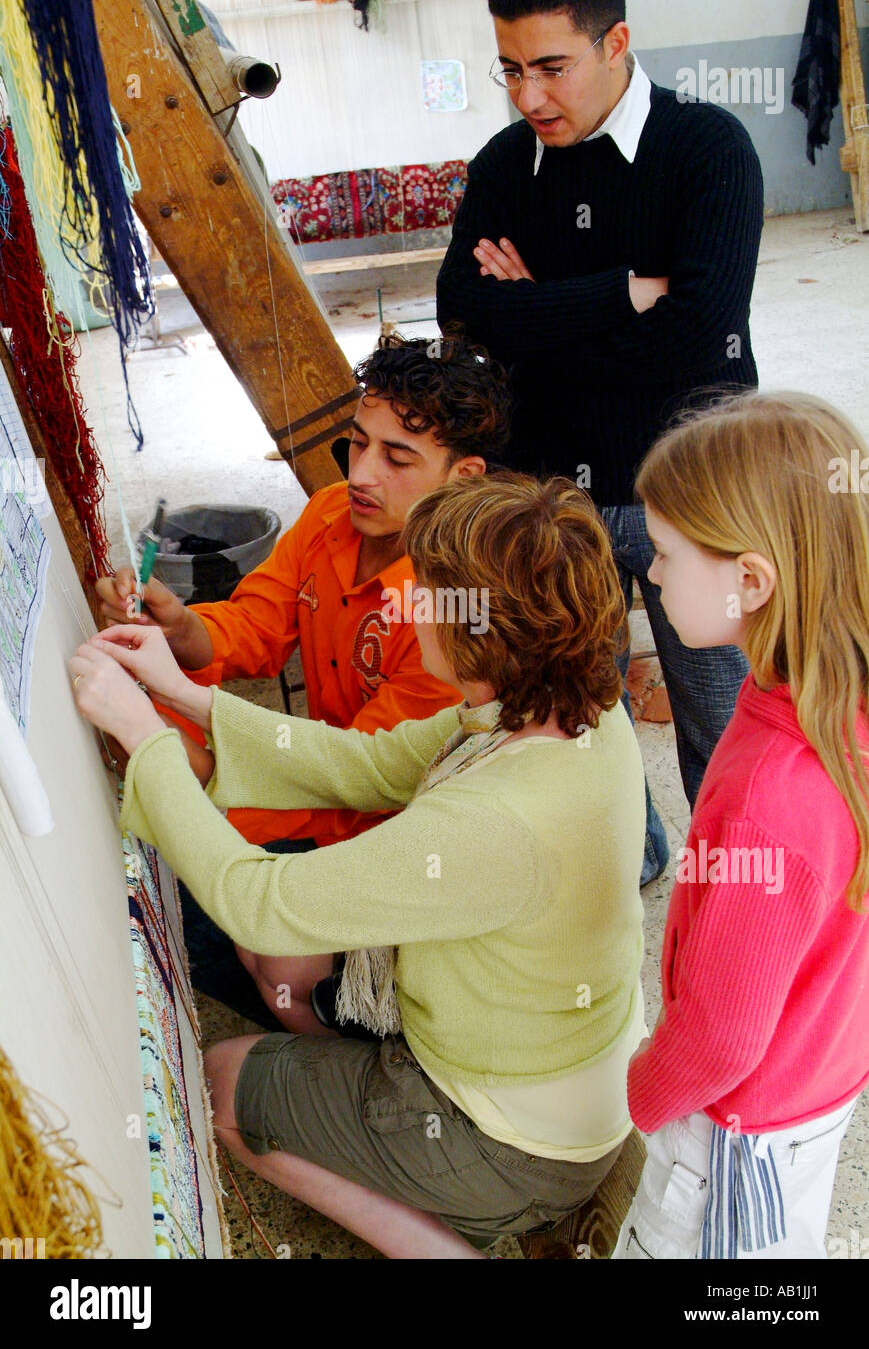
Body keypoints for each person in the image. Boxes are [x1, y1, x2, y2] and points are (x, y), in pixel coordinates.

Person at [71, 473, 646, 1258]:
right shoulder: (567, 705)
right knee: (277, 959)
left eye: (430, 593)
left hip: (520, 1142)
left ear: (480, 627)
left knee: (222, 1087)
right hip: (561, 1081)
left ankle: (465, 1241)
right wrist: (181, 693)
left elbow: (256, 897)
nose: (410, 606)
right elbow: (368, 765)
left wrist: (151, 742)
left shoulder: (495, 817)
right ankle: (384, 1122)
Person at [437, 0, 765, 884]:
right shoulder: (506, 166)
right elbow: (462, 317)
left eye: (550, 66)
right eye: (507, 69)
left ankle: (735, 900)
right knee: (579, 720)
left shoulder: (707, 149)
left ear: (615, 43)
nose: (526, 94)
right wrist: (620, 292)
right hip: (549, 503)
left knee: (721, 718)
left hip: (688, 502)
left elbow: (700, 338)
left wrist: (536, 314)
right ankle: (638, 864)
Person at [95, 335, 511, 1035]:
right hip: (318, 780)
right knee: (185, 880)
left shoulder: (453, 611)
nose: (362, 473)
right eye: (357, 444)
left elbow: (361, 773)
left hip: (380, 824)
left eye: (397, 457)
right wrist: (179, 628)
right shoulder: (327, 516)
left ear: (464, 476)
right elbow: (256, 627)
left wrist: (185, 759)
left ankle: (351, 1029)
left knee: (201, 902)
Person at [611, 393, 869, 1259]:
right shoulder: (834, 703)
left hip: (729, 1139)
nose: (649, 576)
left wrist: (642, 1090)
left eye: (666, 555)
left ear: (750, 580)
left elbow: (720, 1034)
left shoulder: (769, 796)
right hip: (817, 1083)